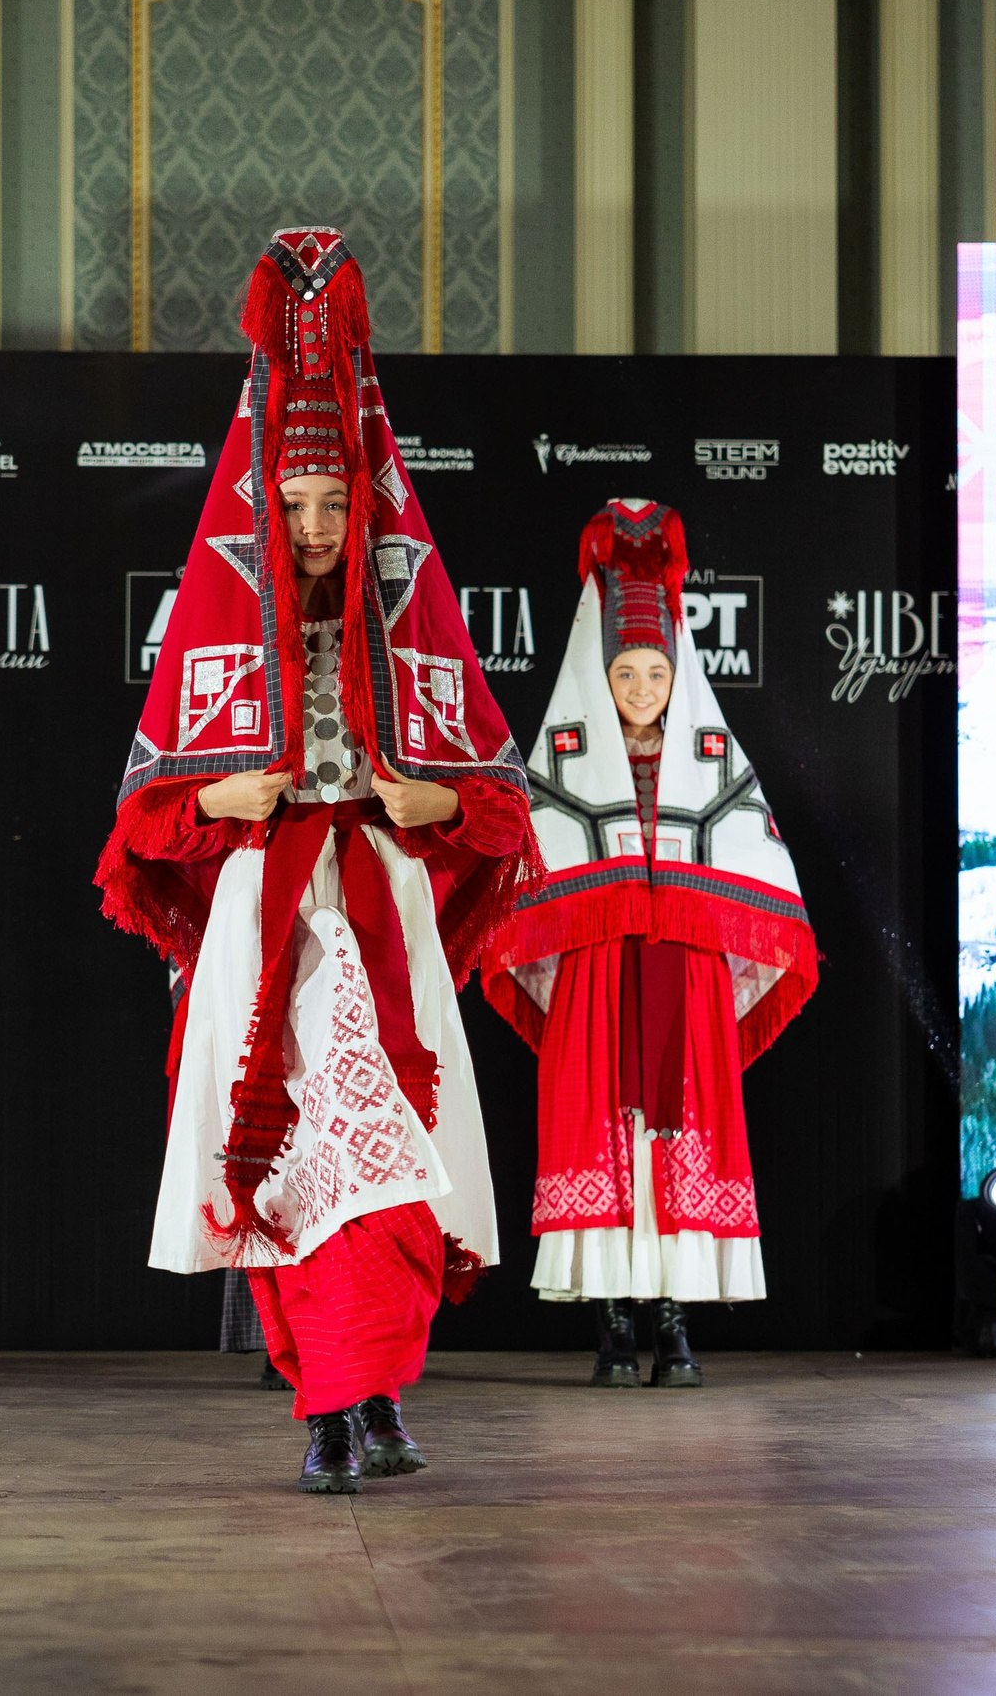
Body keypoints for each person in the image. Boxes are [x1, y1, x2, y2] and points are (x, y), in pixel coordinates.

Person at [97, 228, 538, 1491]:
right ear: (256, 510)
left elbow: (502, 818)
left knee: (396, 1157)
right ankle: (329, 1412)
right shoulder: (220, 631)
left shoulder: (412, 635)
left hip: (379, 907)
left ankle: (374, 1395)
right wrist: (226, 796)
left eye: (332, 504)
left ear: (366, 502)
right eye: (287, 508)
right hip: (270, 913)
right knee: (292, 1157)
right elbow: (142, 830)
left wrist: (425, 798)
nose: (309, 528)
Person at [483, 500, 817, 1387]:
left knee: (674, 1135)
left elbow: (756, 864)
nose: (640, 689)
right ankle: (612, 1326)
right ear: (600, 677)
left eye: (654, 673)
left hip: (682, 969)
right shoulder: (559, 766)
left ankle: (674, 1324)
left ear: (679, 674)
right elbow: (528, 870)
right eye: (624, 672)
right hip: (600, 976)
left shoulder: (715, 760)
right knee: (606, 1135)